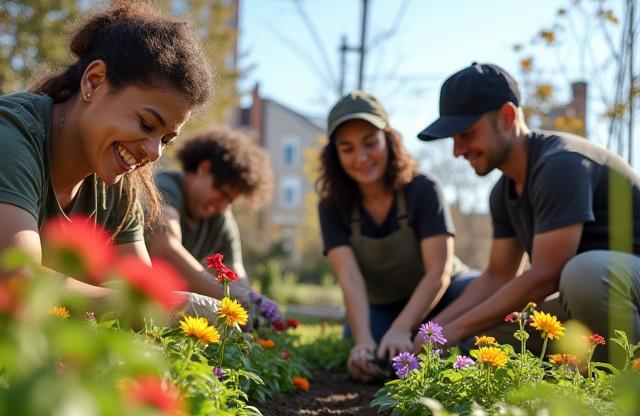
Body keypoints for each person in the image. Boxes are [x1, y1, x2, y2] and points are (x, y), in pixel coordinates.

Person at [0, 1, 217, 317]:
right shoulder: (11, 136)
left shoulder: (119, 182)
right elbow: (17, 279)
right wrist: (171, 305)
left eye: (166, 140)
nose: (155, 152)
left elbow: (140, 291)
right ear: (94, 81)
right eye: (146, 123)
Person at [416, 62, 640, 360]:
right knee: (480, 341)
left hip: (616, 288)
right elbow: (497, 277)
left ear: (507, 117)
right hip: (591, 304)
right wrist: (432, 332)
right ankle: (584, 373)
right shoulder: (503, 192)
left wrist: (453, 331)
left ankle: (626, 373)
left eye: (466, 133)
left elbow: (546, 275)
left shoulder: (561, 163)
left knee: (583, 274)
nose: (457, 150)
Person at [317, 91, 474, 381]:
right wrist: (363, 341)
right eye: (347, 148)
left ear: (389, 140)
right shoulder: (332, 207)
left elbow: (438, 271)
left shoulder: (424, 189)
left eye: (370, 143)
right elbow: (349, 279)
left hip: (442, 295)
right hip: (382, 306)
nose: (361, 157)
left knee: (477, 292)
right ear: (335, 155)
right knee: (369, 352)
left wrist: (403, 328)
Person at [147, 127, 279, 312]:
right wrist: (231, 296)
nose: (223, 206)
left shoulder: (220, 216)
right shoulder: (164, 187)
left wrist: (255, 304)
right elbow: (166, 248)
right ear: (204, 169)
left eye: (230, 200)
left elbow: (236, 274)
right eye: (222, 194)